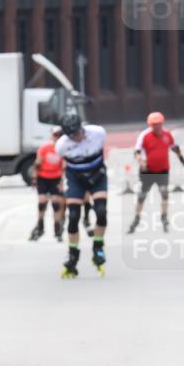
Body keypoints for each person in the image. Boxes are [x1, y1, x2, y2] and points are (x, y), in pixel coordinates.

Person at [56, 114, 108, 278]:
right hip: (76, 178)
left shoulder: (98, 133)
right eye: (71, 136)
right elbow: (63, 164)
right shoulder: (62, 145)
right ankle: (72, 254)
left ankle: (98, 248)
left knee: (101, 212)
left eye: (77, 133)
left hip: (97, 175)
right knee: (73, 216)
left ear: (81, 128)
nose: (76, 138)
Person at [128, 111, 184, 234]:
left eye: (159, 124)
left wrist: (183, 161)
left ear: (162, 123)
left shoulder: (167, 134)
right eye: (154, 124)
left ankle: (164, 217)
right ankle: (136, 218)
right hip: (147, 171)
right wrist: (140, 161)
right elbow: (136, 151)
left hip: (163, 170)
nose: (157, 127)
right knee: (142, 196)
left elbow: (175, 148)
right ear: (150, 125)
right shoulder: (145, 135)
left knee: (164, 193)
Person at [29, 126, 66, 242]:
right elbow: (37, 163)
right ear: (52, 136)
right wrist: (34, 178)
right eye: (55, 135)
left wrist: (62, 182)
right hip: (43, 177)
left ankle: (57, 227)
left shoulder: (63, 149)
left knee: (56, 203)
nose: (57, 138)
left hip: (56, 178)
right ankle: (40, 225)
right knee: (42, 202)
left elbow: (64, 167)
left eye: (59, 135)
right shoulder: (45, 148)